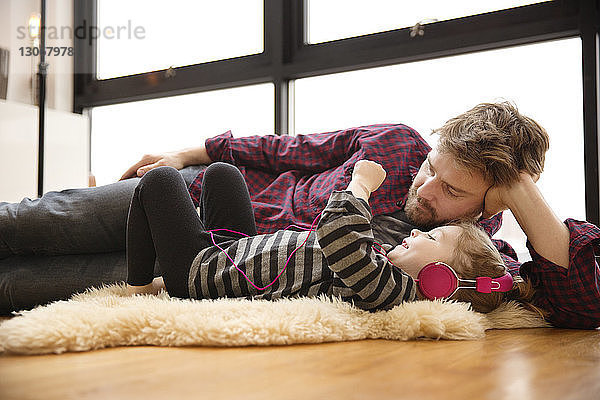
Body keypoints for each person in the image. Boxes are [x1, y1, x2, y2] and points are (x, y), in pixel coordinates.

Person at [0, 102, 597, 328]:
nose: (427, 189)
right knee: (32, 224)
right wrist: (193, 152)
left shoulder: (465, 250)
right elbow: (290, 147)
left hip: (215, 272)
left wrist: (517, 188)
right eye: (432, 169)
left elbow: (581, 302)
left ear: (490, 203)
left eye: (453, 191)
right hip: (206, 200)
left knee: (21, 287)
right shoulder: (394, 141)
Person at [125, 161, 530, 315]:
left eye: (434, 237)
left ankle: (142, 284)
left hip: (203, 273)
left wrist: (360, 186)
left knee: (160, 180)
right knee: (222, 174)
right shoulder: (387, 268)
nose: (418, 235)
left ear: (439, 279)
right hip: (234, 251)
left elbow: (336, 233)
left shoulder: (386, 288)